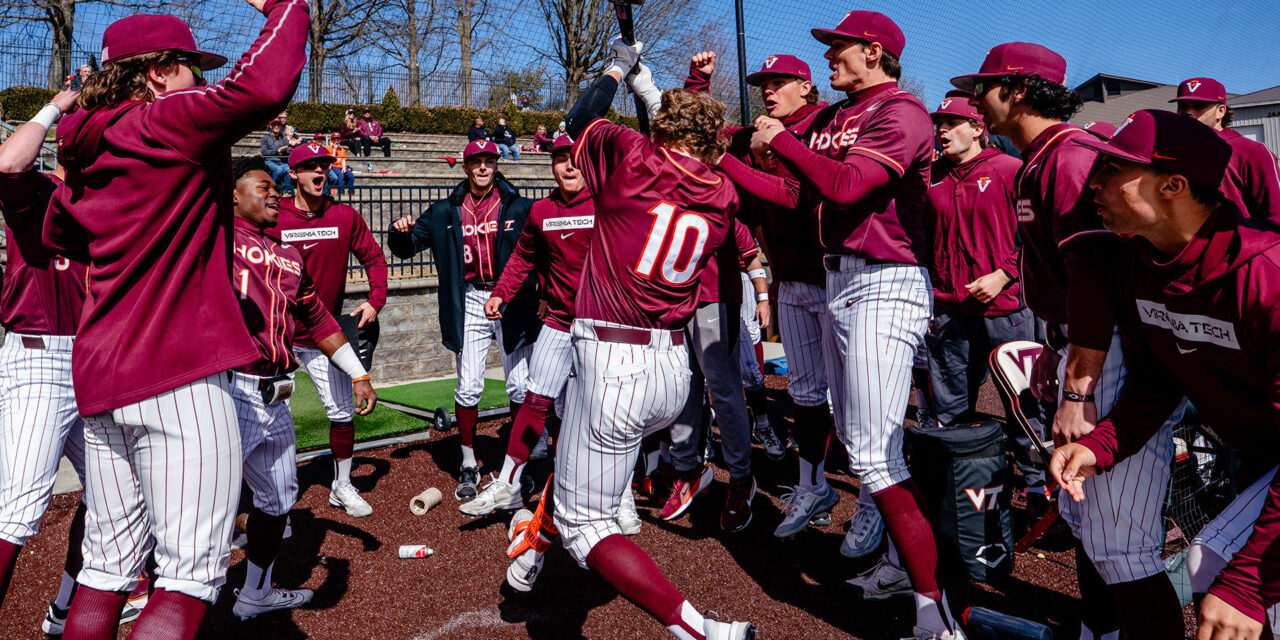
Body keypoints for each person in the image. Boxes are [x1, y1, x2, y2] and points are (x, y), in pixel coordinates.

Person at [42, 2, 307, 637]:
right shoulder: (162, 121)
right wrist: (284, 5)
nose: (198, 80)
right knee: (190, 577)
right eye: (189, 67)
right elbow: (266, 85)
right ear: (158, 73)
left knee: (105, 569)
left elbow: (61, 232)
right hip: (178, 373)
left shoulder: (85, 144)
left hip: (103, 377)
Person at [720, 12, 960, 639]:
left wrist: (785, 145)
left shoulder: (901, 111)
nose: (827, 55)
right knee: (865, 446)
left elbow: (849, 186)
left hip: (885, 278)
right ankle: (904, 568)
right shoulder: (837, 117)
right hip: (842, 279)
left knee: (877, 457)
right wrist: (731, 154)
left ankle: (937, 615)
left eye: (838, 46)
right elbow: (802, 195)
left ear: (874, 52)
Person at [525, 36, 754, 639]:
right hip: (671, 370)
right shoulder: (723, 193)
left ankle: (695, 627)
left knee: (586, 526)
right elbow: (674, 153)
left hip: (613, 360)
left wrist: (621, 67)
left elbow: (578, 121)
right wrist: (655, 92)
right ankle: (535, 550)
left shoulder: (632, 155)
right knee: (586, 477)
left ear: (663, 131)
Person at [954, 43, 1184, 640]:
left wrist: (1081, 383)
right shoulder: (1042, 156)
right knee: (1085, 518)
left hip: (1112, 352)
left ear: (1019, 91)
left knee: (1119, 542)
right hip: (1085, 344)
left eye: (985, 87)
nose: (977, 98)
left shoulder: (1071, 156)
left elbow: (1094, 271)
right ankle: (1101, 629)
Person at [1051, 109, 1280, 640]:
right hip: (1265, 454)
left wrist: (1248, 584)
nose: (1096, 184)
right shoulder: (1140, 264)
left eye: (1114, 170)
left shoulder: (1266, 275)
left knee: (1230, 577)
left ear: (1174, 185)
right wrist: (1100, 446)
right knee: (1220, 573)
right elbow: (1157, 380)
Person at [684, 50, 856, 543]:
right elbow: (700, 133)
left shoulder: (827, 127)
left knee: (850, 402)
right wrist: (700, 81)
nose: (768, 89)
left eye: (780, 82)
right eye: (763, 83)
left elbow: (799, 192)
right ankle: (813, 485)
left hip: (841, 277)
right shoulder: (756, 130)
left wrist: (757, 154)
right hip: (793, 280)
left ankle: (871, 500)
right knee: (804, 393)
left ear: (806, 87)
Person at [226, 155, 377, 619]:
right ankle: (157, 590)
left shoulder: (287, 253)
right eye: (261, 185)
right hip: (228, 388)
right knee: (205, 502)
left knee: (276, 501)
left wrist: (358, 372)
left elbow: (317, 316)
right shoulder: (214, 238)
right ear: (231, 194)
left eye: (275, 187)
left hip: (276, 392)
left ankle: (256, 591)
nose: (272, 193)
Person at [461, 136, 614, 522]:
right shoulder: (542, 210)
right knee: (535, 398)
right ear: (552, 165)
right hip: (560, 322)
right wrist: (500, 293)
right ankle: (510, 485)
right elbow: (523, 257)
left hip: (604, 323)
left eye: (576, 159)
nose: (569, 167)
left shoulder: (607, 204)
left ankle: (616, 493)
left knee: (603, 409)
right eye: (562, 159)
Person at [388, 139, 539, 501]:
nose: (483, 167)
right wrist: (399, 232)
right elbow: (406, 248)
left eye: (489, 161)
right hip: (470, 297)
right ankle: (469, 463)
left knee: (519, 386)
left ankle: (516, 466)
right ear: (465, 167)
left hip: (512, 299)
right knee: (469, 387)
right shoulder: (445, 211)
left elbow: (543, 253)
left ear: (497, 165)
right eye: (477, 162)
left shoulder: (519, 206)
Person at [0, 89, 100, 635]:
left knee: (117, 499)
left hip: (92, 360)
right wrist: (57, 105)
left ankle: (64, 610)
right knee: (18, 513)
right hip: (38, 356)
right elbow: (7, 162)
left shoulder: (109, 199)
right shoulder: (42, 188)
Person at [921, 96, 1049, 503]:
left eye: (953, 122)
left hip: (1006, 307)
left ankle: (1035, 486)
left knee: (1022, 403)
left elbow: (1037, 236)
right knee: (951, 405)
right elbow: (918, 241)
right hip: (948, 310)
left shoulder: (1011, 170)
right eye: (938, 122)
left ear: (978, 128)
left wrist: (1004, 273)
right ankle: (960, 484)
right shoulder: (930, 177)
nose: (942, 130)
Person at [275, 142, 388, 516]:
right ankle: (274, 497)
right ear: (293, 174)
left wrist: (375, 299)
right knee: (271, 423)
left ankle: (341, 485)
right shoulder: (275, 217)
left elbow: (373, 257)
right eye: (309, 166)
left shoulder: (344, 216)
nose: (320, 172)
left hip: (327, 336)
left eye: (324, 165)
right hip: (279, 336)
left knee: (342, 414)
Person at [658, 218, 773, 533]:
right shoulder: (665, 194)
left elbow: (749, 254)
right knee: (679, 387)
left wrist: (763, 298)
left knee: (723, 390)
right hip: (671, 302)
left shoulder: (718, 197)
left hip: (714, 299)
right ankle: (687, 469)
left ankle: (740, 477)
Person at [1170, 77, 1280, 221]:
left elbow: (1276, 216)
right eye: (1183, 105)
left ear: (1220, 111)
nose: (1188, 112)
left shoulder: (1252, 151)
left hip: (1237, 241)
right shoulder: (1171, 151)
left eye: (1198, 105)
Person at [260, 118, 293, 194]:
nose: (276, 126)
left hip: (281, 161)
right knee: (279, 170)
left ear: (281, 126)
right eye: (274, 124)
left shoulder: (284, 139)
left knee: (288, 170)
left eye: (278, 125)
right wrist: (277, 151)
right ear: (271, 126)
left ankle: (287, 191)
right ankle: (271, 188)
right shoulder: (266, 138)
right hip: (269, 161)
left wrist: (285, 151)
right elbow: (263, 152)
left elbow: (287, 153)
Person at [321, 132, 355, 196]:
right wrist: (334, 149)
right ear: (331, 140)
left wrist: (344, 168)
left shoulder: (342, 149)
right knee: (341, 175)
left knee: (351, 176)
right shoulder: (328, 149)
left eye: (338, 139)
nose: (336, 141)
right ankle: (341, 192)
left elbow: (343, 160)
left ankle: (351, 192)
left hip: (341, 166)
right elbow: (331, 159)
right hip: (333, 166)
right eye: (335, 139)